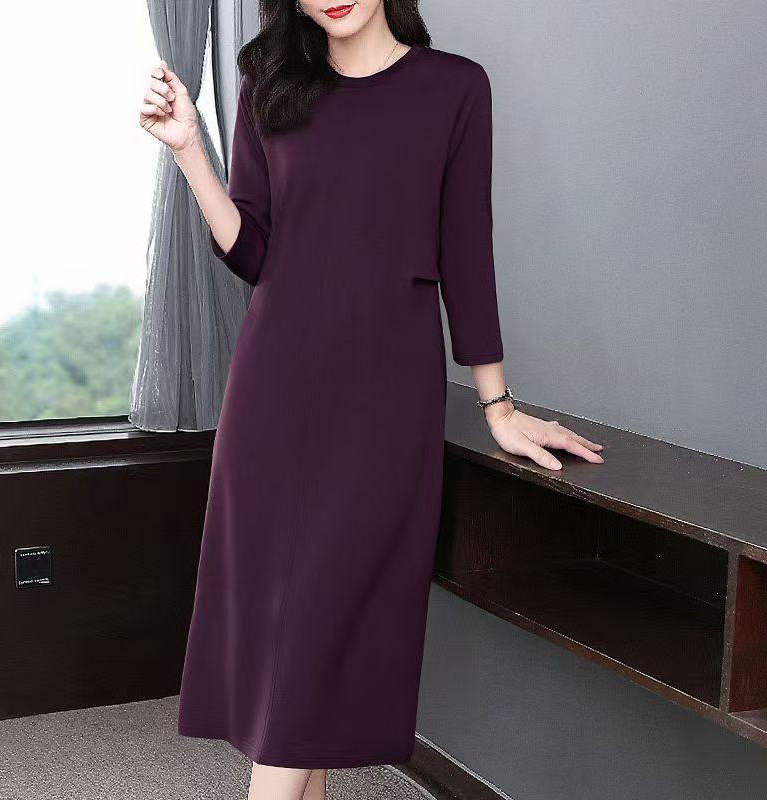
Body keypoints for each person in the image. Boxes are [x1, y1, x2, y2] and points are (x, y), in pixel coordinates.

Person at [139, 1, 604, 798]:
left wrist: (498, 405)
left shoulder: (455, 88)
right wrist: (190, 151)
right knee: (295, 648)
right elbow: (254, 252)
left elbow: (467, 252)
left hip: (385, 401)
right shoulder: (268, 84)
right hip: (273, 395)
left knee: (317, 632)